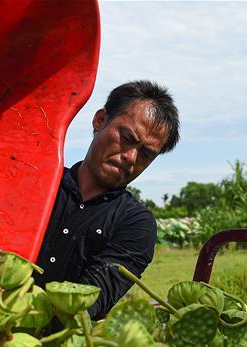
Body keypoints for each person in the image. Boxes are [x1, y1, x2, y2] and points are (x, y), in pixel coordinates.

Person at [33, 80, 180, 319]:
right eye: (127, 138)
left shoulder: (136, 225)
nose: (131, 157)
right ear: (100, 120)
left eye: (146, 154)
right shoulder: (39, 183)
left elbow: (89, 302)